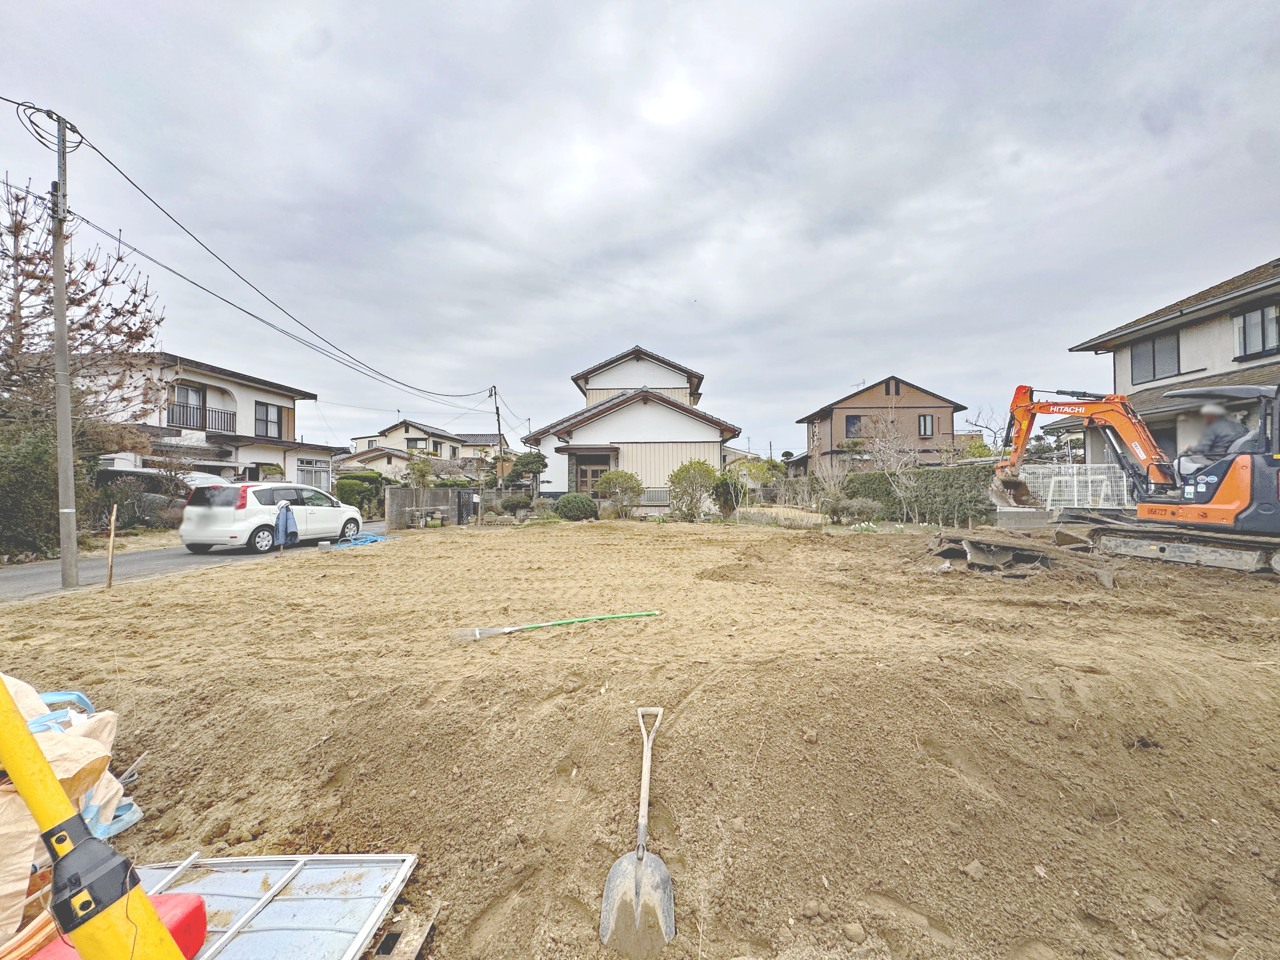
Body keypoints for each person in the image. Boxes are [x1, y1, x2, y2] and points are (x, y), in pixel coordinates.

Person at [1174, 403, 1247, 480]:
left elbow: (1202, 448)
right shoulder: (1242, 428)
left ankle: (1181, 485)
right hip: (1231, 458)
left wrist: (1189, 448)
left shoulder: (1214, 428)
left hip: (1215, 460)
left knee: (1180, 460)